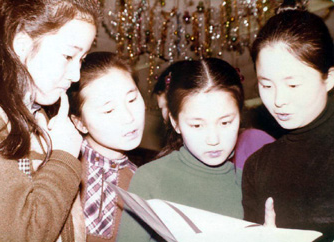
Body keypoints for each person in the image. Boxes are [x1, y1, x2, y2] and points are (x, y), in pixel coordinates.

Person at [0, 0, 99, 241]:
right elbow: (23, 233)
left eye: (81, 59)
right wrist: (63, 157)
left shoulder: (37, 117)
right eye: (68, 55)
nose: (75, 75)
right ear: (22, 44)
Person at [117, 58, 246, 241]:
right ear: (175, 122)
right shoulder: (150, 179)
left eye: (225, 122)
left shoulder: (249, 183)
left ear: (240, 116)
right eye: (197, 125)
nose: (213, 139)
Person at [242, 0, 334, 239]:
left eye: (292, 84)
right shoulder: (258, 167)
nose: (278, 100)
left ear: (330, 78)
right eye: (266, 85)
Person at [67, 51, 146, 242]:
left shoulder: (145, 182)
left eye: (132, 99)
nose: (129, 117)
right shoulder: (61, 169)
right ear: (79, 123)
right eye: (109, 110)